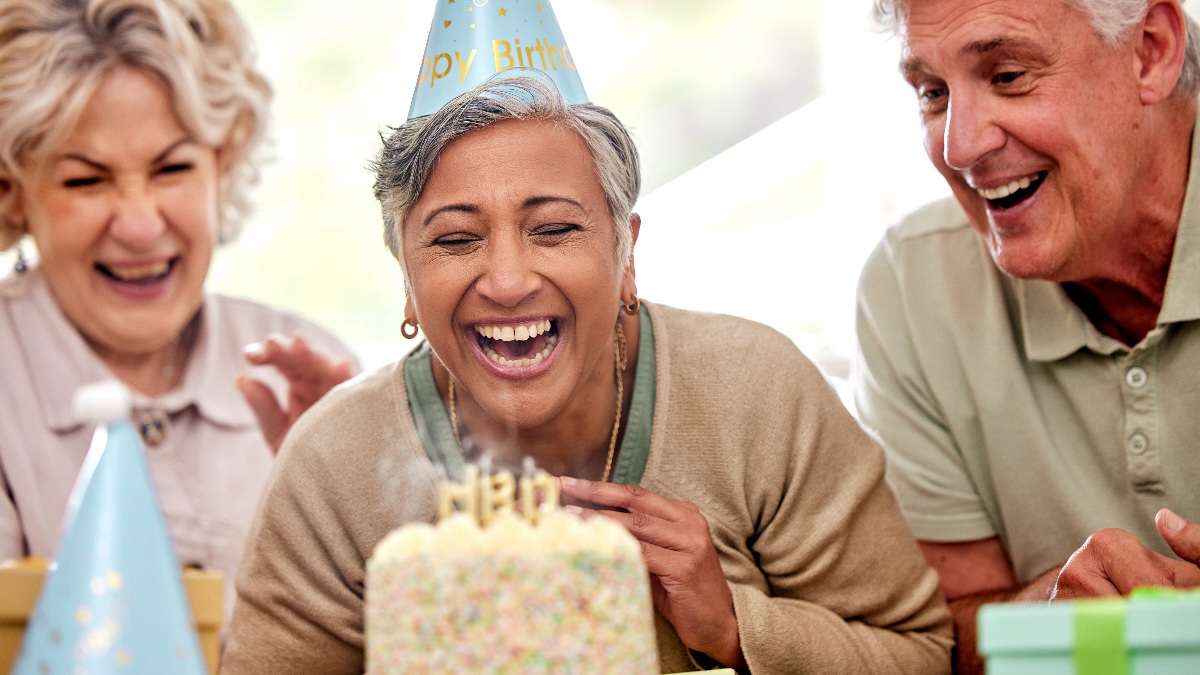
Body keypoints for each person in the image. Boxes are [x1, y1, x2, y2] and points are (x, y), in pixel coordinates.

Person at [221, 75, 954, 674]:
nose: (507, 280)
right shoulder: (332, 463)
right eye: (454, 239)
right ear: (406, 280)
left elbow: (921, 654)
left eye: (555, 228)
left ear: (625, 251)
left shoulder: (757, 392)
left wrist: (734, 626)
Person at [856, 0, 1200, 671]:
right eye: (932, 92)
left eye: (1008, 75)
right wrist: (1047, 615)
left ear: (1151, 50)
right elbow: (941, 636)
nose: (959, 147)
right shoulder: (913, 283)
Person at [0, 0, 355, 613]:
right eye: (85, 179)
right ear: (12, 193)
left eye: (172, 169)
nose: (139, 225)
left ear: (223, 166)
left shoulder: (313, 371)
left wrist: (350, 502)